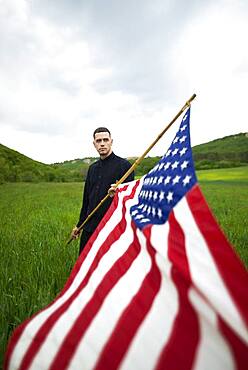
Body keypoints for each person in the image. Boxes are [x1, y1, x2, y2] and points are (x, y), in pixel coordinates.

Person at [71, 127, 134, 254]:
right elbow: (86, 200)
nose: (102, 143)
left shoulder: (125, 166)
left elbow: (130, 199)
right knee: (84, 264)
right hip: (89, 226)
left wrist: (119, 192)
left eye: (105, 140)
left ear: (111, 141)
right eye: (98, 141)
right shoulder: (92, 169)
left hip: (111, 227)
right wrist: (79, 225)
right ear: (94, 144)